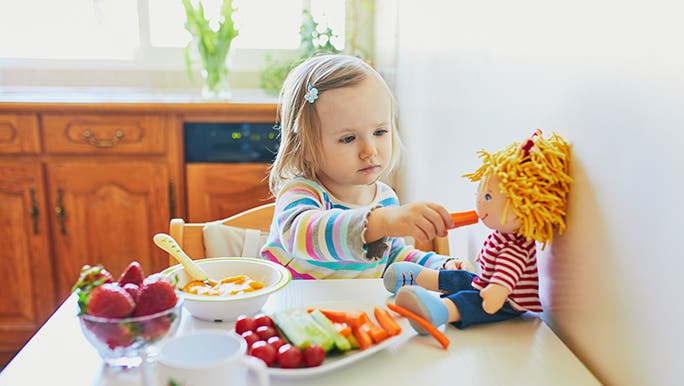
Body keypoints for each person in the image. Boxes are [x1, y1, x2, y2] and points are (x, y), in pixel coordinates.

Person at [260, 54, 470, 279]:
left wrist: (442, 265)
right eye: (348, 138)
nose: (369, 150)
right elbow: (303, 236)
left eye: (380, 132)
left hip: (355, 310)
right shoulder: (301, 192)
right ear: (306, 146)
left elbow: (394, 258)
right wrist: (382, 221)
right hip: (294, 309)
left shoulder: (385, 198)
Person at [383, 130, 571, 331]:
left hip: (505, 301)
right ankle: (417, 276)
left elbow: (507, 274)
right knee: (462, 278)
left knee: (470, 300)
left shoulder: (517, 247)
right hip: (485, 283)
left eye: (488, 197)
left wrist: (496, 292)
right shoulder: (503, 235)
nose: (480, 203)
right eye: (480, 193)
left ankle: (440, 310)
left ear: (524, 205)